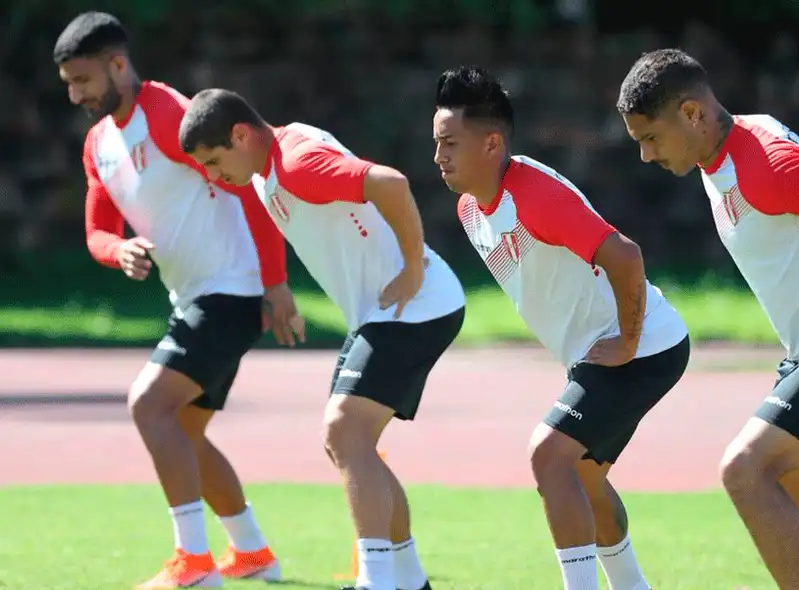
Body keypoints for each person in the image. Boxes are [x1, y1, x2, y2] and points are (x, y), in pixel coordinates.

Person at [616, 48, 799, 590]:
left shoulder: (765, 165)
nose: (644, 155)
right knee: (787, 488)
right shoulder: (725, 150)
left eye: (650, 138)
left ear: (691, 114)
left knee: (746, 471)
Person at [178, 88, 467, 590]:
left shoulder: (295, 162)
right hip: (387, 313)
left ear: (240, 136)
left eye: (212, 160)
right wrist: (278, 288)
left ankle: (375, 581)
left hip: (416, 307)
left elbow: (389, 182)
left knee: (343, 431)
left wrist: (414, 266)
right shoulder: (270, 166)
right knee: (348, 444)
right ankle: (409, 580)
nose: (211, 175)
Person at [53, 12, 300, 589]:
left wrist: (276, 282)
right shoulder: (97, 145)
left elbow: (246, 183)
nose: (75, 94)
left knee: (148, 406)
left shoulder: (168, 114)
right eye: (67, 83)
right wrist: (120, 252)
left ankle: (192, 564)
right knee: (183, 433)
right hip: (195, 296)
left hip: (231, 292)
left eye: (83, 80)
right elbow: (96, 232)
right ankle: (253, 553)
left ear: (118, 64)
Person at [433, 65, 690, 590]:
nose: (438, 157)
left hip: (644, 349)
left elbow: (625, 256)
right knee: (585, 478)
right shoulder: (469, 210)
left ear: (491, 144)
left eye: (449, 143)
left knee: (550, 456)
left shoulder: (534, 195)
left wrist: (628, 340)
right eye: (436, 143)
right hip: (608, 354)